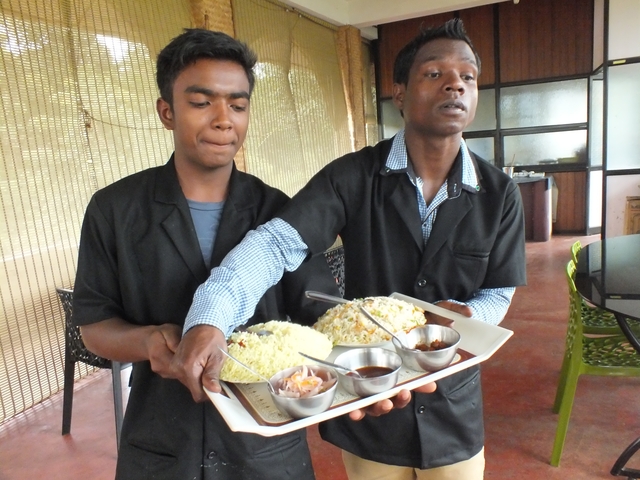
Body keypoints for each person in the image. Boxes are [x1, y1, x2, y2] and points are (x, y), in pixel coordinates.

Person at [173, 18, 526, 480]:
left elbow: (499, 290)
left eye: (467, 76)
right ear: (399, 94)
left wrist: (466, 320)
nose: (455, 85)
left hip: (451, 397)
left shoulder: (499, 193)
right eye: (435, 74)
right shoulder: (353, 176)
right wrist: (210, 317)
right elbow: (277, 243)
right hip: (367, 398)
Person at [72, 28, 349, 480]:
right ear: (167, 111)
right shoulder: (115, 209)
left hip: (266, 444)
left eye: (238, 105)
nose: (224, 119)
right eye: (202, 103)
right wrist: (147, 341)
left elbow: (318, 321)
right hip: (162, 446)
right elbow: (94, 326)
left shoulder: (278, 212)